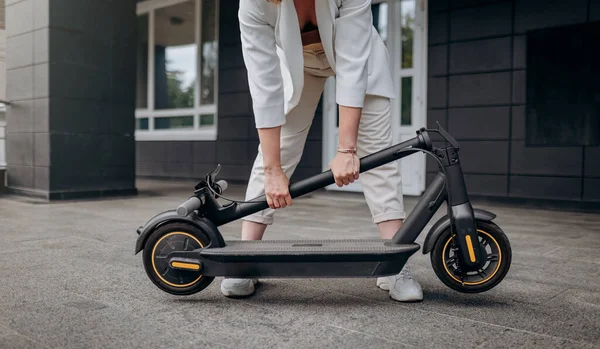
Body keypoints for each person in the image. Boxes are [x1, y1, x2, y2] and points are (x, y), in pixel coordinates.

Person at [221, 0, 423, 302]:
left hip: (359, 60)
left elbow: (353, 64)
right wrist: (274, 171)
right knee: (274, 156)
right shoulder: (254, 4)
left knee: (378, 155)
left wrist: (346, 149)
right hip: (297, 66)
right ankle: (244, 260)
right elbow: (264, 86)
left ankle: (395, 265)